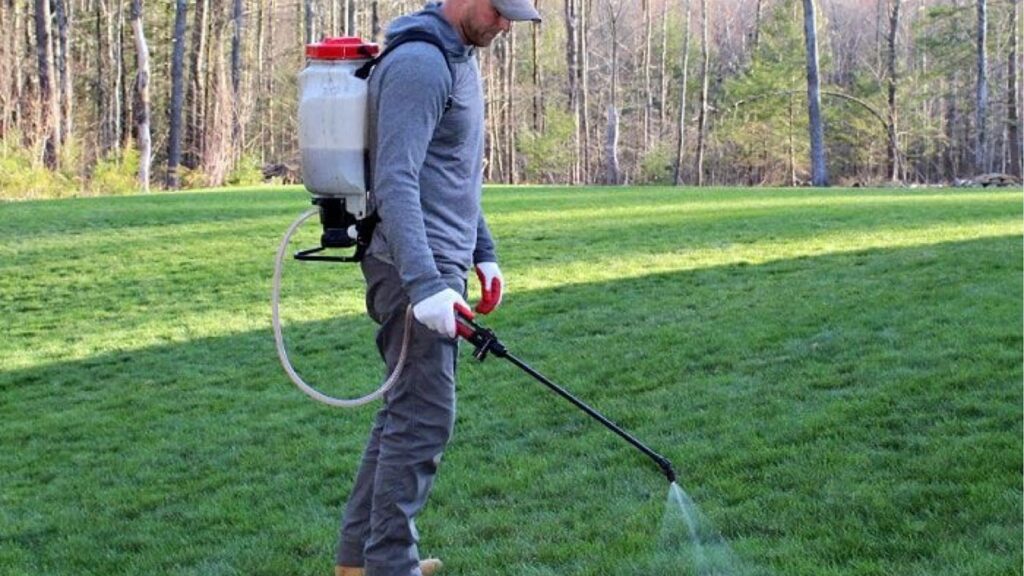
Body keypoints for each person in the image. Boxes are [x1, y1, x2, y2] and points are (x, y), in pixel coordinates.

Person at [334, 1, 541, 575]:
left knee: (405, 414)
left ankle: (361, 564)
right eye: (501, 11)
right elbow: (395, 179)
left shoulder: (458, 58)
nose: (506, 25)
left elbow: (452, 172)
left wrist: (484, 250)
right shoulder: (422, 64)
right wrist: (426, 283)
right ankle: (390, 568)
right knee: (425, 418)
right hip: (409, 270)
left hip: (438, 263)